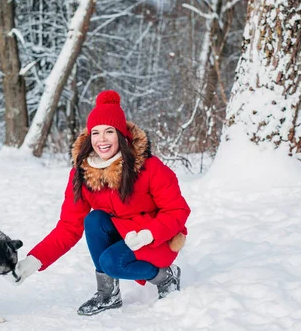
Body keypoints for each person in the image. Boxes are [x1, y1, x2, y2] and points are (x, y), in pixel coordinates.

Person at [15, 89, 191, 316]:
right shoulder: (83, 172)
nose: (102, 140)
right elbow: (69, 226)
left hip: (157, 236)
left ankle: (166, 276)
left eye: (109, 131)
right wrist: (34, 260)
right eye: (95, 133)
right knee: (94, 219)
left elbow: (177, 210)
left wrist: (149, 234)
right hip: (123, 232)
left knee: (110, 262)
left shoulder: (149, 167)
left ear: (122, 135)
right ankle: (108, 294)